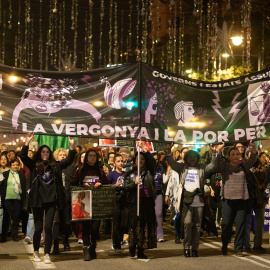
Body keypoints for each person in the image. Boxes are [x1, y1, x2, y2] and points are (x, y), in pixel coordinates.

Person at [20, 133, 76, 264]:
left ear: (50, 153)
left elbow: (68, 160)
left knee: (49, 227)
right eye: (43, 151)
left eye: (47, 151)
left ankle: (46, 254)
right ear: (39, 153)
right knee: (38, 228)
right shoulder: (34, 165)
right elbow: (23, 156)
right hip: (37, 200)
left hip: (51, 200)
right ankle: (35, 252)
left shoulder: (55, 165)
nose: (45, 153)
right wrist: (27, 142)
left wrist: (72, 146)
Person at [166, 142, 219, 257]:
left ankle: (195, 249)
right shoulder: (182, 168)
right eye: (190, 157)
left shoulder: (201, 168)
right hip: (186, 201)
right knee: (187, 223)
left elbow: (213, 166)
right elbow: (171, 162)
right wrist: (169, 151)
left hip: (199, 201)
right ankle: (186, 247)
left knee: (197, 226)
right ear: (186, 158)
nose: (193, 159)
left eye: (195, 157)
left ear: (197, 158)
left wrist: (214, 153)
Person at [218, 141, 257, 257]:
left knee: (241, 224)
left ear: (240, 155)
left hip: (242, 198)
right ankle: (225, 243)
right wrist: (219, 150)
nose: (235, 156)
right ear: (229, 156)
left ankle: (238, 248)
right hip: (228, 199)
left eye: (237, 154)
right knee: (226, 223)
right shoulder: (224, 167)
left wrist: (253, 148)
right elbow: (217, 162)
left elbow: (252, 160)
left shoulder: (243, 166)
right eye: (233, 154)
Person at [72, 149, 107, 261]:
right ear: (86, 157)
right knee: (86, 227)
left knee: (95, 228)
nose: (92, 157)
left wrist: (101, 184)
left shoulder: (100, 171)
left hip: (97, 203)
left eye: (94, 156)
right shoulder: (81, 170)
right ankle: (86, 249)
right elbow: (73, 184)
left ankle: (93, 246)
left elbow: (107, 184)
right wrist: (82, 184)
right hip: (85, 202)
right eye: (90, 155)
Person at [124, 142, 157, 259]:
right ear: (134, 161)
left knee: (144, 226)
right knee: (134, 226)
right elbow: (125, 187)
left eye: (143, 159)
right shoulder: (129, 174)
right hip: (134, 202)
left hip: (147, 202)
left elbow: (152, 161)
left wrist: (144, 150)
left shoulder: (149, 172)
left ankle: (141, 249)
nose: (141, 161)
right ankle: (132, 247)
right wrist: (134, 183)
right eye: (139, 159)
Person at [0, 158, 26, 242]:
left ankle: (15, 234)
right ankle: (4, 235)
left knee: (16, 217)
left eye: (17, 165)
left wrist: (24, 198)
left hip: (17, 199)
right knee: (6, 217)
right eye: (13, 165)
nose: (15, 166)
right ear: (10, 166)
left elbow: (24, 187)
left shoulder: (21, 175)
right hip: (6, 198)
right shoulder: (5, 174)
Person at [107, 153, 128, 251]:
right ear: (114, 163)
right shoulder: (112, 174)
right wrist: (114, 186)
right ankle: (116, 244)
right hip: (115, 200)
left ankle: (122, 239)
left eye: (122, 161)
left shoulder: (126, 174)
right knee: (116, 224)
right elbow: (105, 187)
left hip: (125, 200)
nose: (120, 163)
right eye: (118, 161)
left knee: (124, 223)